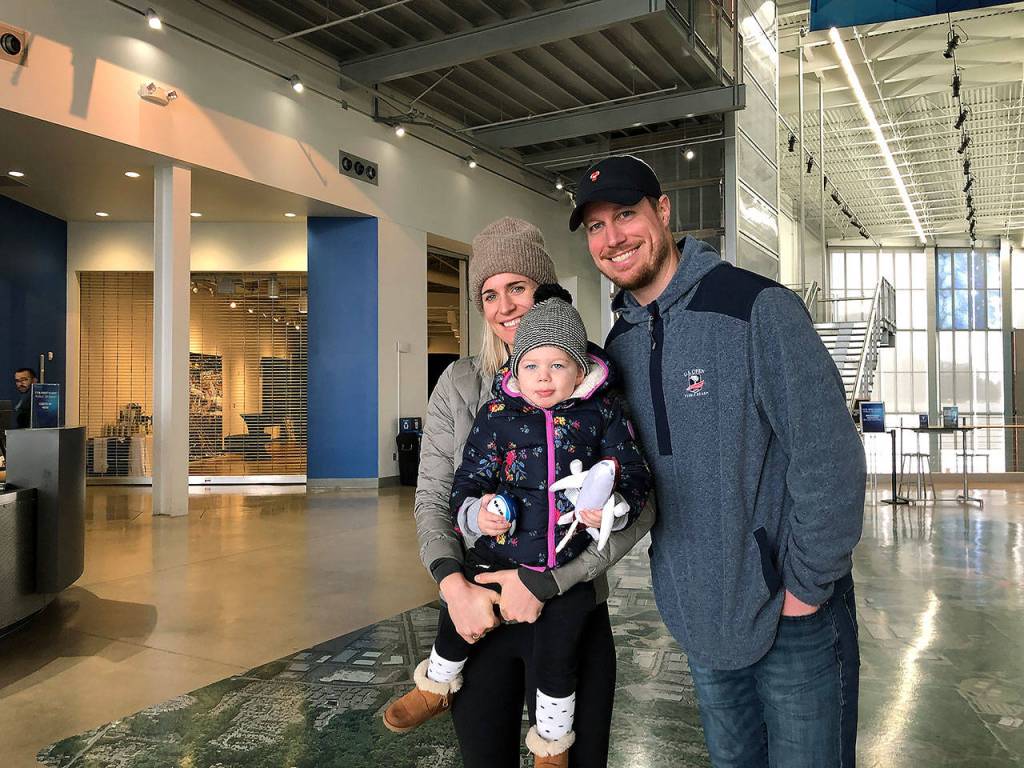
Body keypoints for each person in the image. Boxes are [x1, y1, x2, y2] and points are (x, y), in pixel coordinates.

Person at [570, 155, 866, 768]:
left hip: (794, 614)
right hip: (701, 618)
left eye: (626, 214)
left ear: (664, 212)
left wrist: (807, 588)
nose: (613, 238)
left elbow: (829, 458)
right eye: (596, 226)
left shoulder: (757, 308)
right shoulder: (618, 347)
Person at [409, 217, 655, 768]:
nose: (504, 307)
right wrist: (453, 586)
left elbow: (639, 505)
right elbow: (432, 497)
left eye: (517, 288)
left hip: (573, 612)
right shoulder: (460, 384)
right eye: (489, 295)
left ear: (543, 292)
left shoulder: (597, 383)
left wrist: (550, 580)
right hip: (481, 615)